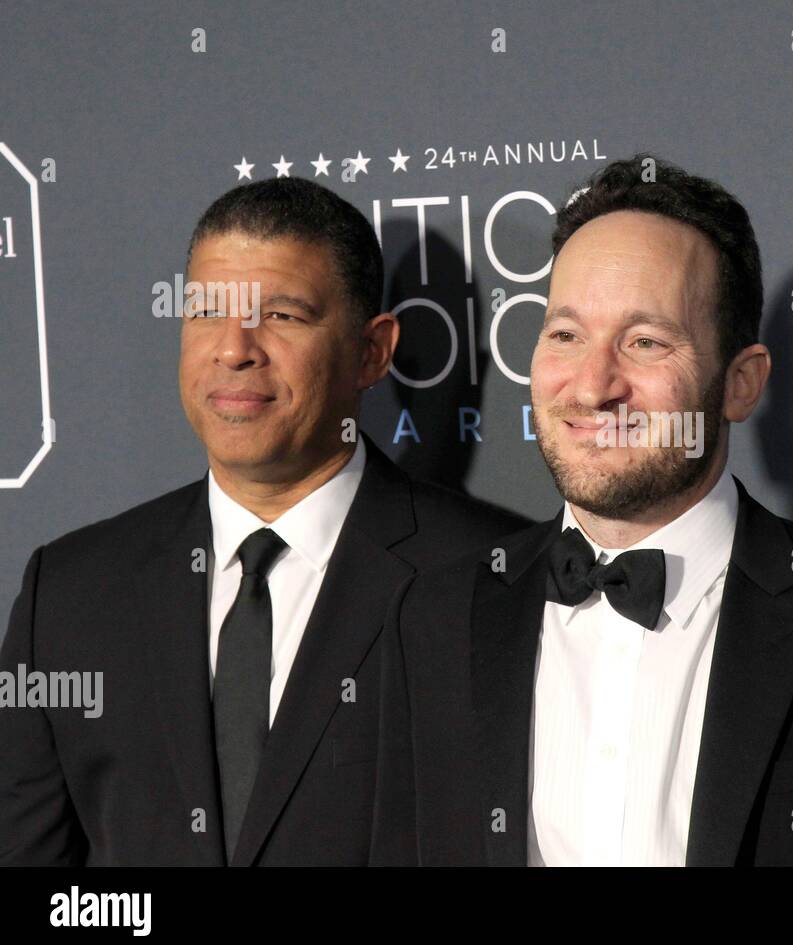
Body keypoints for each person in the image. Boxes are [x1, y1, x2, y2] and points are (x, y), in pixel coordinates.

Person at [371, 156, 793, 866]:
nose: (593, 386)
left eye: (645, 342)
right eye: (564, 335)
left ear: (741, 384)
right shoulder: (435, 619)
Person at [0, 177, 524, 865]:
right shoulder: (69, 594)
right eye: (208, 311)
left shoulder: (495, 578)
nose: (234, 348)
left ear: (372, 352)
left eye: (281, 315)